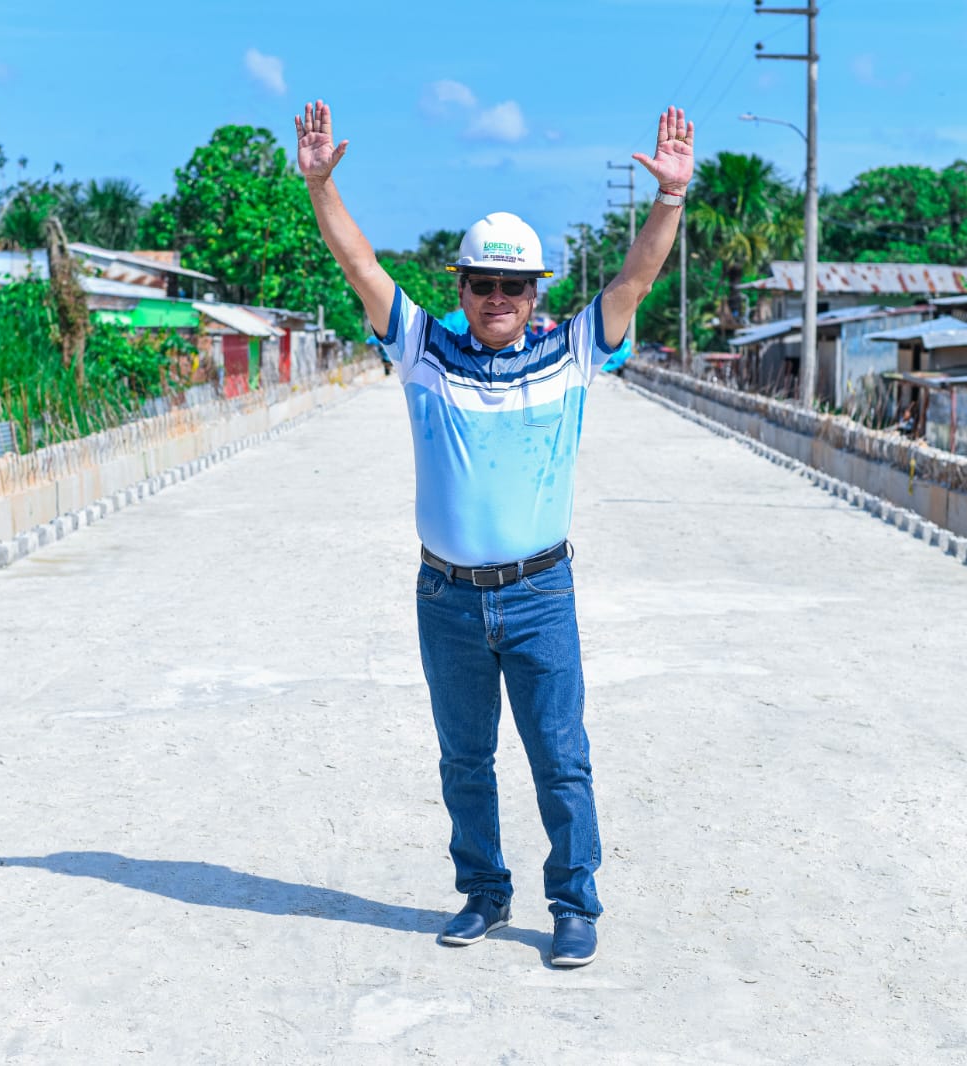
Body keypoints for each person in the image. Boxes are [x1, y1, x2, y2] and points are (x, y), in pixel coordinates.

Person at [295, 99, 694, 968]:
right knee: (465, 760)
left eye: (516, 286)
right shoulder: (422, 352)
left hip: (540, 593)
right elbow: (360, 265)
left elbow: (632, 283)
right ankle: (482, 893)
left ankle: (573, 904)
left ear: (537, 291)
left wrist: (668, 201)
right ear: (461, 289)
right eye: (484, 284)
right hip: (446, 597)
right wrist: (322, 184)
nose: (500, 299)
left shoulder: (574, 353)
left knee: (561, 758)